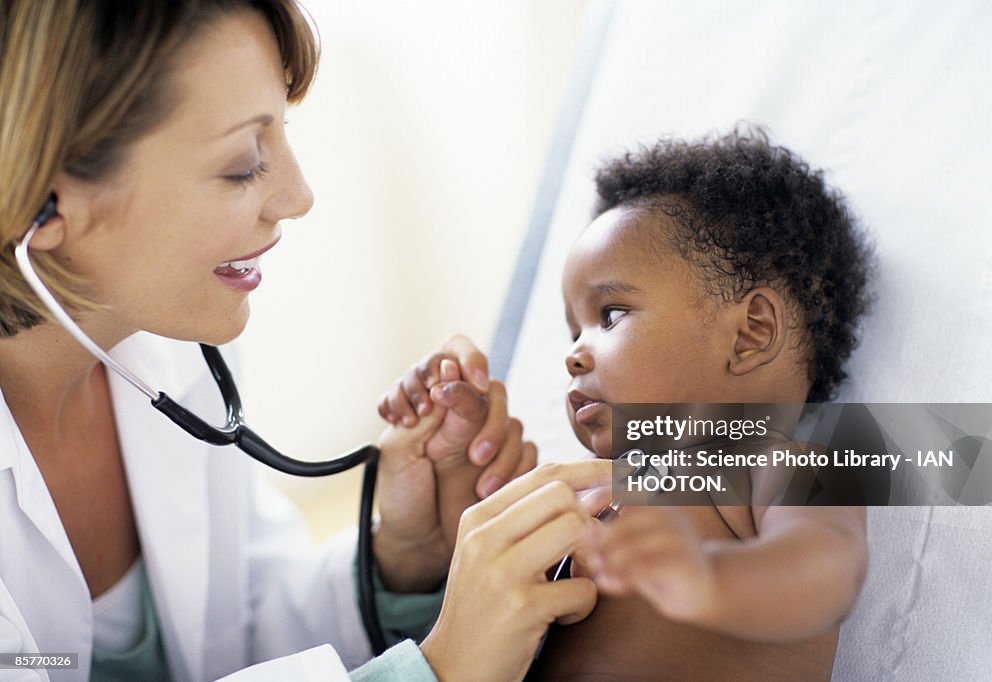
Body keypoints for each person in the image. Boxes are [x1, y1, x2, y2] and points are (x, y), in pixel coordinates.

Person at [0, 2, 610, 680]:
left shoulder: (165, 350)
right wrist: (437, 669)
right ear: (43, 201)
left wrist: (401, 562)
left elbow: (232, 631)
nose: (298, 196)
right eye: (242, 164)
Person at [388, 129, 874, 681]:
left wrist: (713, 580)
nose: (574, 354)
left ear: (749, 334)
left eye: (610, 315)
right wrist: (455, 464)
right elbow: (471, 612)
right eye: (573, 331)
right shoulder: (593, 493)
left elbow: (826, 570)